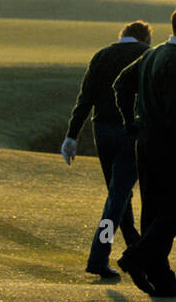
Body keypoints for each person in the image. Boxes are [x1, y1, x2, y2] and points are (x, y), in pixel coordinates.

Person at [112, 5, 176, 297]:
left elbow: (121, 86)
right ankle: (137, 258)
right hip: (170, 145)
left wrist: (131, 123)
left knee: (154, 208)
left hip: (146, 143)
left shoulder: (152, 54)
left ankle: (160, 277)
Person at [62, 21, 151, 278]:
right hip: (130, 132)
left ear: (122, 35)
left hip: (101, 129)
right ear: (144, 37)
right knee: (118, 197)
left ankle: (137, 251)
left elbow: (85, 98)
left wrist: (71, 136)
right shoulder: (147, 54)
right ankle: (98, 258)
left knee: (119, 194)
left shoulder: (101, 55)